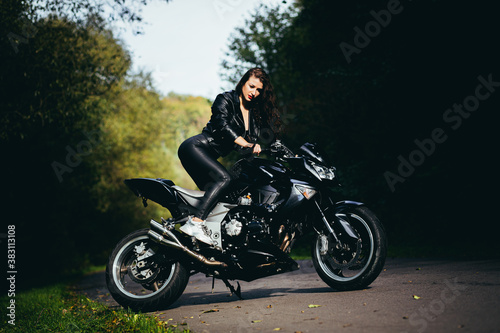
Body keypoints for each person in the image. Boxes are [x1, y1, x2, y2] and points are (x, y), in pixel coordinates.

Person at [178, 67, 282, 245]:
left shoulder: (252, 116)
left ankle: (209, 240)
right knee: (224, 179)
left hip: (208, 155)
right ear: (243, 82)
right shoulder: (225, 99)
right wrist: (246, 144)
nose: (254, 92)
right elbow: (223, 125)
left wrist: (277, 149)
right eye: (251, 86)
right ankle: (195, 223)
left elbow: (247, 146)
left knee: (226, 196)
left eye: (258, 90)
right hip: (195, 147)